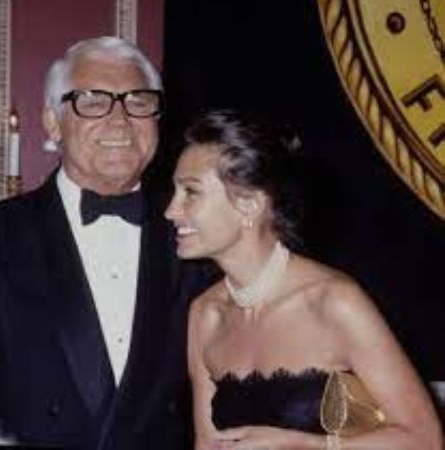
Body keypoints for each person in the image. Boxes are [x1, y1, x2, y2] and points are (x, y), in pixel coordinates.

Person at [165, 110, 443, 450]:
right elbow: (208, 445)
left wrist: (308, 445)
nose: (171, 210)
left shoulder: (333, 301)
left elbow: (425, 439)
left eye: (191, 192)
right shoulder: (206, 314)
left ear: (249, 205)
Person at [0, 36, 212, 450]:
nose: (120, 121)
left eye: (138, 101)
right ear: (53, 123)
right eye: (93, 101)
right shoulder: (4, 233)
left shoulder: (199, 235)